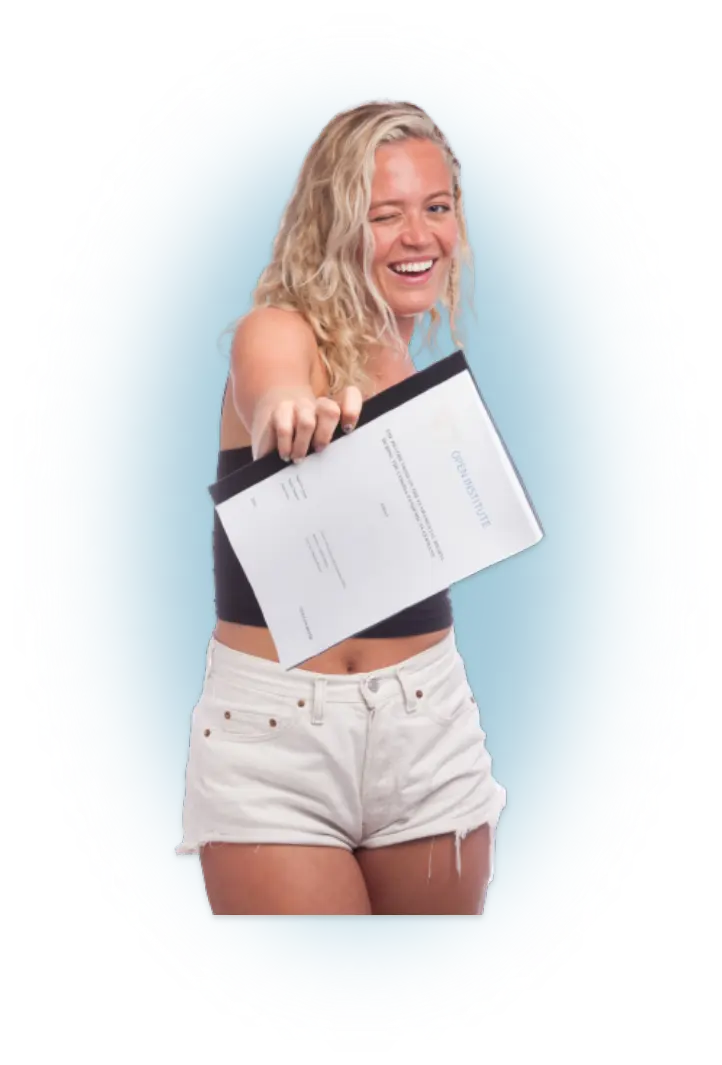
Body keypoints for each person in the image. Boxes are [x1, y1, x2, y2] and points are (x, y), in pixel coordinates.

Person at [176, 99, 506, 916]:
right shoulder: (280, 328)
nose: (418, 235)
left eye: (436, 208)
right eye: (384, 215)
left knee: (426, 996)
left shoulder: (407, 360)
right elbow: (271, 384)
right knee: (314, 999)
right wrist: (290, 410)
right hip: (278, 742)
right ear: (333, 222)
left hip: (429, 724)